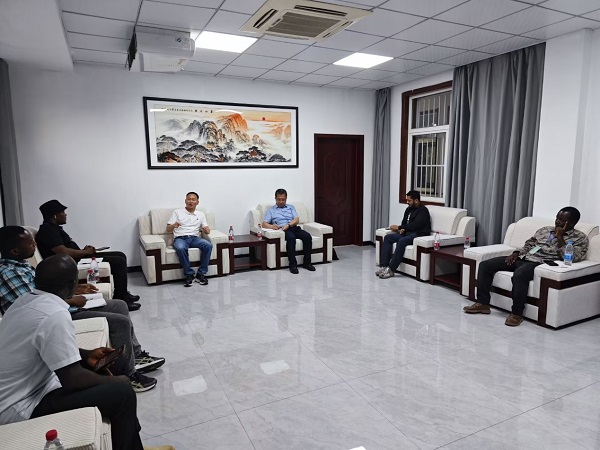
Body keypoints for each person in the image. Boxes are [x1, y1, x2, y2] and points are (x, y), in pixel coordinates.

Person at [0, 254, 174, 450]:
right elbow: (73, 379)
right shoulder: (54, 315)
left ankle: (132, 444)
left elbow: (47, 348)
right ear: (72, 284)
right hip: (22, 405)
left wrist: (86, 354)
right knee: (122, 392)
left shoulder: (25, 302)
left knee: (108, 368)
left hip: (29, 389)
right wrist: (117, 381)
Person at [0, 226, 164, 392]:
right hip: (54, 316)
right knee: (120, 322)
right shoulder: (9, 274)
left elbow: (46, 291)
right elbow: (36, 305)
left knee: (119, 305)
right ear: (14, 251)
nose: (34, 245)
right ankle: (128, 374)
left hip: (61, 307)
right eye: (30, 243)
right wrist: (73, 300)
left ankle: (136, 355)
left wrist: (76, 289)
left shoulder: (22, 266)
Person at [464, 206, 589, 326]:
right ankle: (482, 303)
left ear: (572, 223)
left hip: (540, 264)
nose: (557, 222)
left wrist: (560, 237)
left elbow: (574, 257)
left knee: (519, 274)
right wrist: (516, 254)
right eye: (557, 218)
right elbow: (529, 244)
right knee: (485, 265)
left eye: (562, 220)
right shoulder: (545, 230)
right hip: (524, 258)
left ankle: (516, 314)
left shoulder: (580, 238)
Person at [35, 199, 141, 310]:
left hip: (78, 258)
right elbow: (64, 252)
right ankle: (121, 297)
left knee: (120, 255)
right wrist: (85, 252)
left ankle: (123, 293)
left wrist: (83, 251)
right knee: (118, 262)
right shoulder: (48, 231)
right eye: (63, 212)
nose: (65, 215)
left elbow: (66, 248)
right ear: (55, 215)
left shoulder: (53, 229)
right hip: (72, 263)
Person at [377, 190, 431, 279]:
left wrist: (399, 227)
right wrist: (402, 229)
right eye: (407, 200)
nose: (407, 202)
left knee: (402, 241)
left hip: (419, 234)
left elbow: (415, 225)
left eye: (409, 200)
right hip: (408, 233)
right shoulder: (408, 209)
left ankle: (391, 270)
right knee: (387, 237)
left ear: (416, 200)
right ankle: (384, 266)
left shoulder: (423, 211)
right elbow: (404, 222)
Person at [262, 188, 315, 274]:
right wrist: (272, 226)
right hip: (284, 230)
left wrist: (289, 225)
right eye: (279, 199)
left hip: (294, 227)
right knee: (291, 238)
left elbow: (296, 219)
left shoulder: (291, 207)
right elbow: (264, 224)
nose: (281, 201)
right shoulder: (271, 210)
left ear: (286, 198)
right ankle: (293, 265)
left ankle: (307, 263)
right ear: (275, 198)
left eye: (283, 199)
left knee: (307, 236)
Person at [166, 192, 213, 287]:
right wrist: (174, 225)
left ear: (197, 202)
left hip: (195, 238)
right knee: (180, 248)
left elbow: (206, 228)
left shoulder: (200, 214)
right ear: (185, 201)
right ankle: (189, 275)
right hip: (180, 238)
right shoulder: (177, 212)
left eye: (193, 199)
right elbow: (168, 229)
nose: (190, 201)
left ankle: (201, 274)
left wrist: (206, 230)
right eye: (189, 199)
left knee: (208, 245)